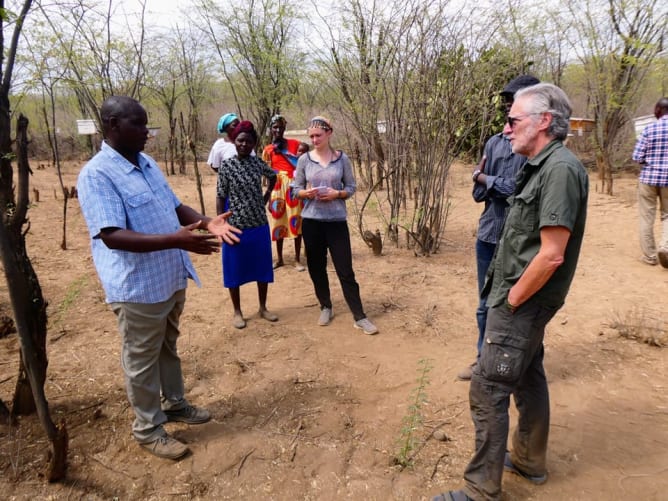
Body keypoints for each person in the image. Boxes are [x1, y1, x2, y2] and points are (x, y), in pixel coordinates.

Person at [432, 83, 589, 501]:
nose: (507, 127)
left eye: (514, 120)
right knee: (529, 375)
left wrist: (513, 299)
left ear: (543, 122)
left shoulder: (558, 170)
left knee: (488, 387)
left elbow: (552, 254)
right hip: (522, 298)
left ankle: (481, 489)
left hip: (523, 302)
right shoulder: (541, 164)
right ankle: (528, 460)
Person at [77, 96, 242, 460]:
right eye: (139, 125)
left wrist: (203, 221)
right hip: (137, 287)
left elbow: (173, 207)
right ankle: (148, 430)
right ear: (113, 125)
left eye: (147, 125)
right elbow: (110, 235)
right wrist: (177, 239)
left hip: (168, 277)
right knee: (140, 359)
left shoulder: (147, 163)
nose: (147, 134)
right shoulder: (97, 174)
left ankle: (175, 403)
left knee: (167, 347)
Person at [458, 75, 540, 381]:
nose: (508, 109)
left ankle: (520, 366)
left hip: (521, 242)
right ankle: (484, 361)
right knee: (484, 305)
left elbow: (516, 191)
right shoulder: (493, 142)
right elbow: (478, 194)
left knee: (519, 304)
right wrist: (486, 182)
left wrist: (483, 177)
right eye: (507, 103)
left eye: (513, 102)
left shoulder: (534, 147)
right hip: (489, 235)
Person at [291, 116, 378, 335]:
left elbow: (350, 186)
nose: (314, 139)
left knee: (345, 269)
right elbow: (295, 189)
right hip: (312, 221)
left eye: (318, 135)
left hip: (336, 222)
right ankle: (326, 306)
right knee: (316, 268)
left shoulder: (342, 159)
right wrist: (306, 193)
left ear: (329, 133)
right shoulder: (304, 160)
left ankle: (359, 316)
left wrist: (336, 194)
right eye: (310, 136)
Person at [217, 120, 279, 329]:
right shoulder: (227, 165)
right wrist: (220, 223)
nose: (244, 145)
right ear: (235, 141)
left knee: (262, 268)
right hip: (235, 227)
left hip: (258, 225)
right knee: (234, 269)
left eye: (248, 142)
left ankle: (263, 307)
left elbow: (273, 176)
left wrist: (267, 195)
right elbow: (220, 196)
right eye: (241, 140)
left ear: (254, 144)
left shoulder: (257, 163)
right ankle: (237, 311)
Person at [262, 115, 306, 271]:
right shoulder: (268, 150)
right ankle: (280, 259)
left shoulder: (294, 144)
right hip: (276, 186)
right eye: (275, 127)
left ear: (284, 128)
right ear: (271, 129)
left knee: (296, 221)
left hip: (292, 185)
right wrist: (267, 198)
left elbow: (302, 165)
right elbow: (267, 174)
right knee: (278, 223)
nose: (278, 130)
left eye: (280, 127)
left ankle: (297, 259)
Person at [632, 97, 668, 268]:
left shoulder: (649, 129)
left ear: (658, 110)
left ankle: (650, 256)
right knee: (667, 215)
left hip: (649, 178)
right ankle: (665, 246)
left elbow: (637, 156)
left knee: (647, 217)